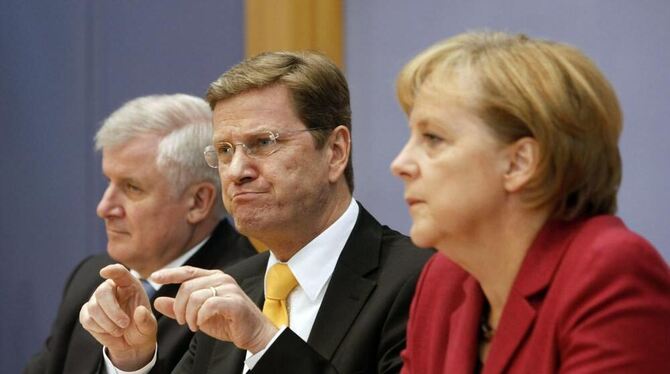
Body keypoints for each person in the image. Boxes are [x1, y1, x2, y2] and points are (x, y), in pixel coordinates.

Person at [77, 51, 432, 374]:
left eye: (264, 143)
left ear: (335, 152)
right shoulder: (235, 284)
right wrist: (132, 360)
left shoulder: (418, 281)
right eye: (225, 150)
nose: (236, 171)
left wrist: (265, 343)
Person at [391, 31, 670, 373]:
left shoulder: (609, 272)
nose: (400, 164)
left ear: (519, 163)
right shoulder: (443, 280)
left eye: (433, 138)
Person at [24, 94, 257, 374]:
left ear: (197, 202)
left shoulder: (242, 297)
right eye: (109, 182)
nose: (104, 208)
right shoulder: (91, 277)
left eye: (132, 188)